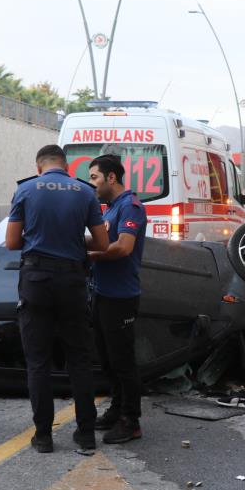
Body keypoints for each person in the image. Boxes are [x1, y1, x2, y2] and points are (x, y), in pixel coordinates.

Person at [6, 144, 109, 453]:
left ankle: (43, 436)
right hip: (72, 281)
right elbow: (102, 244)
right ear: (66, 167)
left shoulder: (26, 190)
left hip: (36, 280)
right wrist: (72, 238)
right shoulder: (84, 191)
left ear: (39, 167)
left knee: (38, 360)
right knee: (79, 358)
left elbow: (12, 242)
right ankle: (86, 434)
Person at [86, 155, 147, 444]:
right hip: (102, 293)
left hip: (121, 297)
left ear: (112, 178)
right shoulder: (109, 209)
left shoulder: (130, 207)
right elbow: (99, 241)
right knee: (108, 360)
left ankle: (130, 420)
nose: (91, 183)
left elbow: (123, 248)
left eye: (95, 177)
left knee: (123, 362)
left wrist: (87, 255)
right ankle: (117, 408)